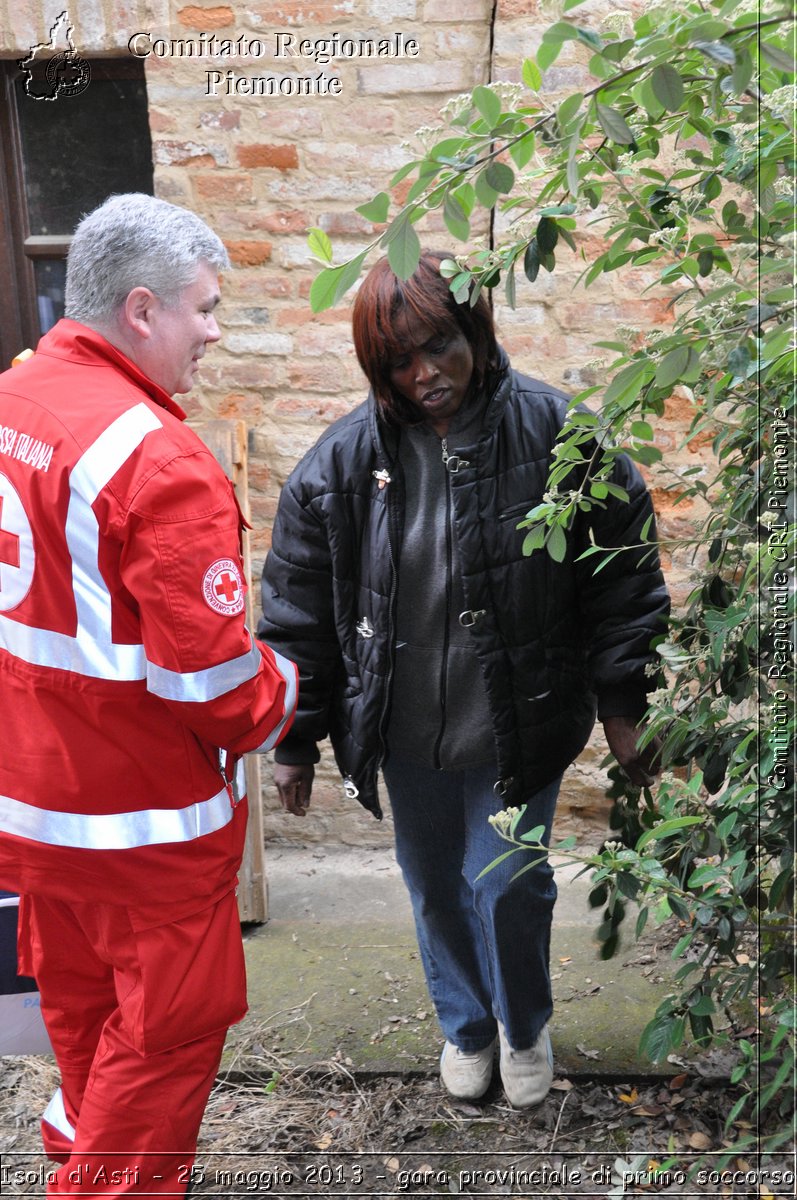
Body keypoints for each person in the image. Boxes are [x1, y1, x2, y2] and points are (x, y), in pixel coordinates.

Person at [258, 250, 669, 1109]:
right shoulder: (337, 465)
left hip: (520, 717)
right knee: (435, 885)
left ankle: (522, 1024)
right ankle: (466, 1028)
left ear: (474, 331)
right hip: (404, 730)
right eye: (398, 363)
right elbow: (296, 610)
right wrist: (295, 736)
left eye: (437, 346)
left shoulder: (558, 435)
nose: (424, 375)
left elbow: (622, 574)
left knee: (509, 883)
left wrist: (623, 703)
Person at [0, 193, 298, 1194]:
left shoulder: (14, 400)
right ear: (141, 310)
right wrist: (285, 687)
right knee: (169, 1028)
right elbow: (213, 687)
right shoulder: (157, 458)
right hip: (141, 823)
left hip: (30, 805)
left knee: (82, 997)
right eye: (204, 308)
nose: (214, 330)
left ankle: (78, 1135)